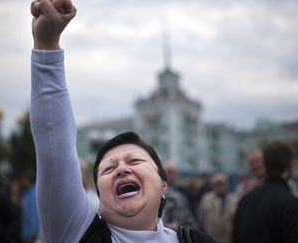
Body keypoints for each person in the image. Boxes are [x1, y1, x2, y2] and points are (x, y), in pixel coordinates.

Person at [29, 0, 215, 242]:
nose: (122, 169)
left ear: (163, 186)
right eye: (108, 169)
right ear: (96, 194)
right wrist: (47, 44)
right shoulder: (77, 234)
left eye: (135, 160)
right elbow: (55, 146)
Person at [232, 141, 298, 243]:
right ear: (290, 164)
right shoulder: (293, 204)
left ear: (265, 164)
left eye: (258, 162)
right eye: (252, 163)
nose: (255, 166)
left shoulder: (245, 201)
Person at [199, 173, 238, 243]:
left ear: (227, 184)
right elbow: (201, 218)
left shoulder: (235, 199)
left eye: (221, 184)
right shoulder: (206, 198)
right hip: (210, 238)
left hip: (229, 239)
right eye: (216, 184)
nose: (219, 186)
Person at [162, 163, 201, 230]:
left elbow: (190, 220)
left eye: (174, 173)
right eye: (169, 172)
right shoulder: (154, 193)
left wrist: (180, 227)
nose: (171, 175)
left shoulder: (183, 195)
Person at [20, 170, 40, 243]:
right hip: (26, 234)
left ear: (28, 180)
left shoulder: (34, 194)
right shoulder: (26, 193)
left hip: (32, 236)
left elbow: (34, 215)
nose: (22, 181)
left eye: (23, 179)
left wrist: (32, 234)